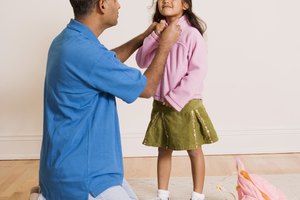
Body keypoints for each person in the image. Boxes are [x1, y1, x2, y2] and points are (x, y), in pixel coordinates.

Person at [35, 0, 181, 199]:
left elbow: (105, 61)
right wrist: (165, 45)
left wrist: (143, 37)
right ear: (102, 5)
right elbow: (147, 88)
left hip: (63, 169)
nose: (119, 5)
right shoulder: (86, 53)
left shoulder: (67, 40)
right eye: (114, 0)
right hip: (82, 179)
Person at [135, 0, 219, 200]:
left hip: (186, 103)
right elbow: (141, 60)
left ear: (185, 5)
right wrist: (155, 35)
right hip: (161, 103)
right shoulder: (159, 33)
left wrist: (175, 97)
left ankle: (198, 195)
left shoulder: (192, 35)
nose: (166, 1)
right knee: (163, 149)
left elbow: (197, 72)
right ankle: (162, 194)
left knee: (194, 149)